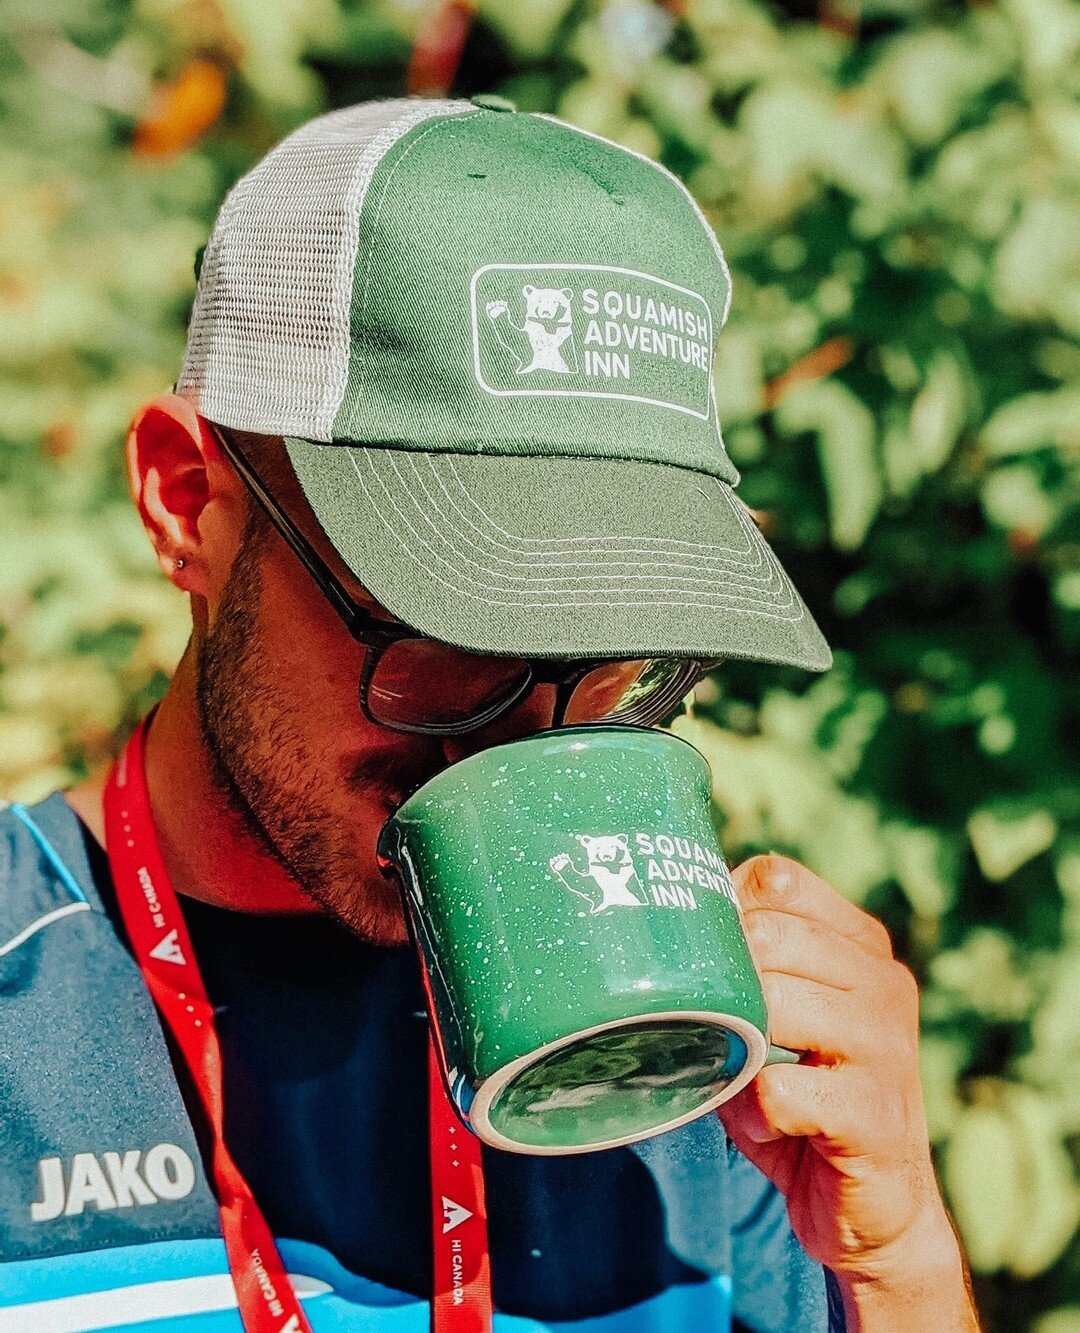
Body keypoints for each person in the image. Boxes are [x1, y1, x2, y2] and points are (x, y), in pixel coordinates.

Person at [0, 96, 978, 1332]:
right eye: (443, 641)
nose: (519, 741)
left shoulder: (692, 1066)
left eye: (611, 657)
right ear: (189, 499)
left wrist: (900, 1266)